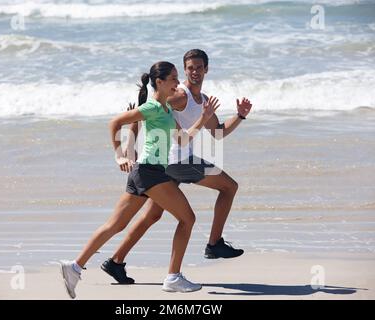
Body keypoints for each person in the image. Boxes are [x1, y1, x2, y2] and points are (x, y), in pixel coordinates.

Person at [59, 61, 220, 298]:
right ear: (160, 82)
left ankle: (73, 267)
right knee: (188, 218)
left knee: (115, 225)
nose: (178, 82)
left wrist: (204, 118)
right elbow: (114, 122)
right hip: (150, 172)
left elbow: (183, 140)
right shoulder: (153, 107)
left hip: (144, 172)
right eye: (174, 78)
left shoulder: (166, 109)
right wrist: (119, 156)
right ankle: (173, 277)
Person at [101, 49, 252, 284]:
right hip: (179, 160)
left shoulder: (201, 99)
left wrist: (240, 116)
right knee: (229, 187)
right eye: (190, 68)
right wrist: (132, 131)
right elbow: (155, 106)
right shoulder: (180, 95)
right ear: (184, 70)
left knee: (152, 215)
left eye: (199, 67)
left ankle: (116, 261)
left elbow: (218, 132)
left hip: (165, 165)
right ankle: (214, 243)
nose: (195, 72)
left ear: (206, 70)